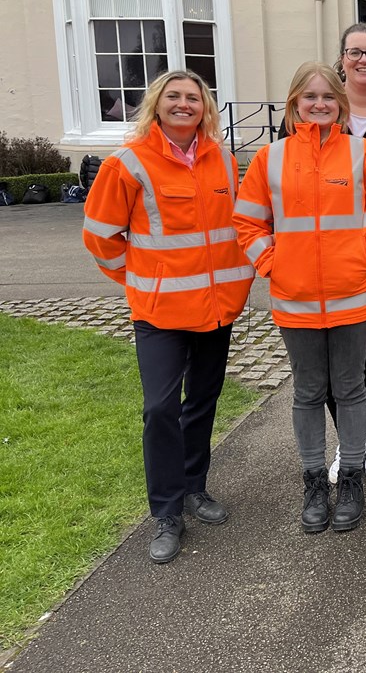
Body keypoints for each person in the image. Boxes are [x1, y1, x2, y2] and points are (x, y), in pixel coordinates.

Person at [83, 69, 254, 564]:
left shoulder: (222, 158)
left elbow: (234, 227)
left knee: (202, 399)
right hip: (159, 312)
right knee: (160, 408)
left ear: (205, 108)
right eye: (174, 97)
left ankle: (195, 487)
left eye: (193, 99)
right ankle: (166, 511)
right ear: (156, 104)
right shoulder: (128, 163)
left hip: (217, 307)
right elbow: (100, 236)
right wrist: (141, 279)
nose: (184, 105)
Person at [235, 62, 366, 534]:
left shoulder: (364, 154)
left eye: (328, 97)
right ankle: (314, 480)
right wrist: (272, 263)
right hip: (294, 299)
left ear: (341, 104)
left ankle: (350, 478)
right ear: (294, 104)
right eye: (309, 97)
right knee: (309, 392)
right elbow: (247, 223)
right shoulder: (271, 159)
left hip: (353, 295)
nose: (319, 105)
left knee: (351, 388)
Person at [279, 22, 366, 486]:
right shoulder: (283, 145)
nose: (364, 60)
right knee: (318, 379)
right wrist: (273, 263)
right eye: (355, 51)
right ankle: (342, 446)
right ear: (343, 59)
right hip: (305, 281)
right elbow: (257, 215)